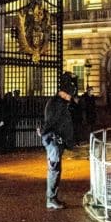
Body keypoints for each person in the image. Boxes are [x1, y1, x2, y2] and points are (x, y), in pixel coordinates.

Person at [41, 78, 75, 209]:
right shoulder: (57, 104)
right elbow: (51, 121)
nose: (70, 96)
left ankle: (53, 197)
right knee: (54, 169)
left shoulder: (59, 103)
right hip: (54, 140)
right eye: (69, 93)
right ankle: (51, 198)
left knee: (55, 169)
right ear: (63, 93)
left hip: (55, 140)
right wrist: (44, 131)